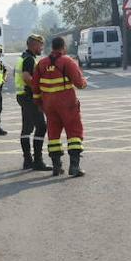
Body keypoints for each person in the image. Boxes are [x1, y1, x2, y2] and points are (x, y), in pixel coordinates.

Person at [33, 36, 88, 177]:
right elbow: (79, 83)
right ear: (63, 47)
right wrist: (84, 82)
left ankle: (57, 167)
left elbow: (35, 87)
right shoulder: (67, 61)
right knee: (74, 132)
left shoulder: (41, 63)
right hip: (66, 102)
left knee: (53, 133)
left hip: (49, 104)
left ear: (52, 47)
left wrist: (40, 104)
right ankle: (74, 167)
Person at [16, 34, 53, 171]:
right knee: (41, 127)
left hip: (22, 96)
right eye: (40, 45)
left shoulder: (22, 57)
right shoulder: (29, 59)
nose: (42, 48)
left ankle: (27, 160)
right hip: (29, 97)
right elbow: (26, 77)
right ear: (34, 45)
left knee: (27, 128)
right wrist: (38, 90)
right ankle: (37, 161)